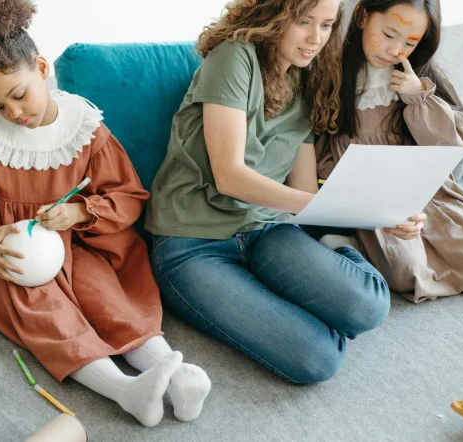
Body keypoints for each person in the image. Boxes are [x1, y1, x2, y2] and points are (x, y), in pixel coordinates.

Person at [0, 0, 210, 426]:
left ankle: (177, 376)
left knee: (106, 297)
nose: (15, 113)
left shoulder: (85, 126)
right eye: (0, 106)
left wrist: (79, 213)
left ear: (42, 67)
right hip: (16, 258)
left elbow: (127, 195)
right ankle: (126, 392)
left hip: (84, 244)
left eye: (19, 95)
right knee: (47, 313)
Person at [145, 0, 390, 384]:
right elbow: (229, 176)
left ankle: (336, 255)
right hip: (192, 245)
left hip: (268, 231)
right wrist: (334, 209)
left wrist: (381, 213)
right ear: (273, 14)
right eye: (304, 21)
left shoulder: (313, 76)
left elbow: (305, 190)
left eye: (326, 25)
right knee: (317, 360)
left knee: (369, 307)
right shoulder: (234, 57)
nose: (316, 38)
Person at [315, 0, 463, 303]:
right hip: (371, 191)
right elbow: (321, 151)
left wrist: (417, 97)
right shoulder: (333, 72)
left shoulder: (416, 76)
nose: (394, 49)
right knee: (405, 271)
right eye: (389, 35)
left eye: (409, 42)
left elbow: (448, 146)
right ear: (364, 16)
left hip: (420, 184)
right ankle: (354, 243)